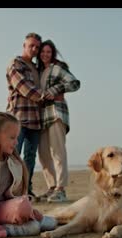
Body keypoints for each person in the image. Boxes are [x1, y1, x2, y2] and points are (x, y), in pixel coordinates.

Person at [36, 40, 81, 203]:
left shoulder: (58, 68)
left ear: (52, 53)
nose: (45, 54)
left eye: (48, 52)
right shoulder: (38, 71)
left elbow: (74, 83)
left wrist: (55, 90)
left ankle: (61, 189)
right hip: (42, 117)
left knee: (58, 151)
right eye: (42, 52)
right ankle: (52, 187)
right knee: (43, 154)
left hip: (56, 113)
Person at [6, 32, 43, 200]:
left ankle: (26, 189)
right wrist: (45, 96)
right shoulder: (16, 63)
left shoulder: (36, 68)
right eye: (31, 46)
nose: (34, 49)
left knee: (30, 157)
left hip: (36, 120)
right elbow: (23, 87)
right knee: (13, 155)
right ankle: (9, 190)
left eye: (37, 47)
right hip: (18, 118)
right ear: (24, 45)